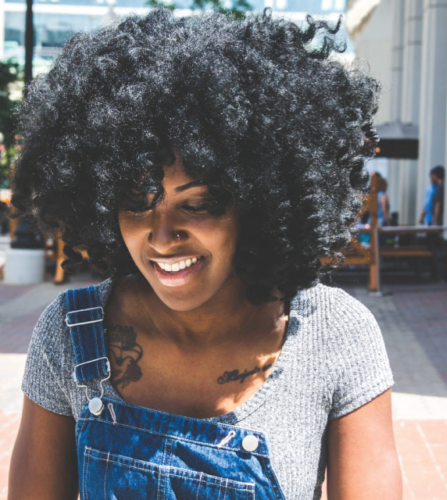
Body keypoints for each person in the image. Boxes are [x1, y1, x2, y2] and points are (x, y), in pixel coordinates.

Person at [8, 9, 401, 500]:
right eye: (136, 203)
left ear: (258, 201)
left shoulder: (335, 335)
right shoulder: (68, 336)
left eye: (198, 204)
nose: (162, 235)